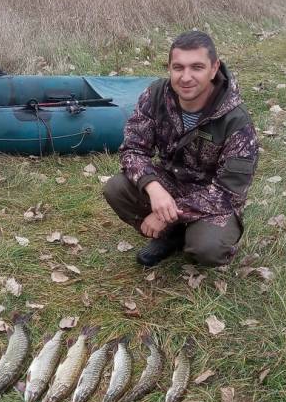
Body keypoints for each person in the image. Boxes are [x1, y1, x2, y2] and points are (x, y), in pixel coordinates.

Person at [103, 30, 259, 267]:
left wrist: (166, 214)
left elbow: (228, 194)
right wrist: (154, 188)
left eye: (197, 67)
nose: (186, 77)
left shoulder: (236, 121)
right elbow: (132, 149)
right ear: (169, 68)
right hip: (170, 182)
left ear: (214, 68)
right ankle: (171, 237)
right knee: (116, 188)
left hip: (212, 200)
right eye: (178, 67)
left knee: (207, 249)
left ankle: (187, 232)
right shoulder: (156, 95)